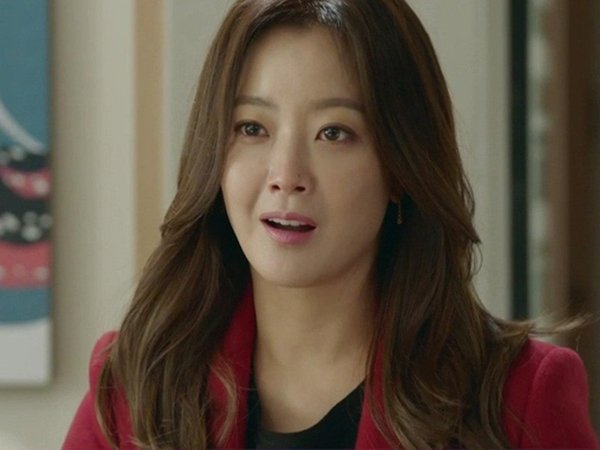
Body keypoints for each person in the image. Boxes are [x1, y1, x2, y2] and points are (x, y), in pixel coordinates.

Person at [63, 0, 599, 448]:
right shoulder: (136, 385)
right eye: (252, 127)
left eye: (334, 133)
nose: (286, 175)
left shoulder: (516, 396)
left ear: (401, 168)